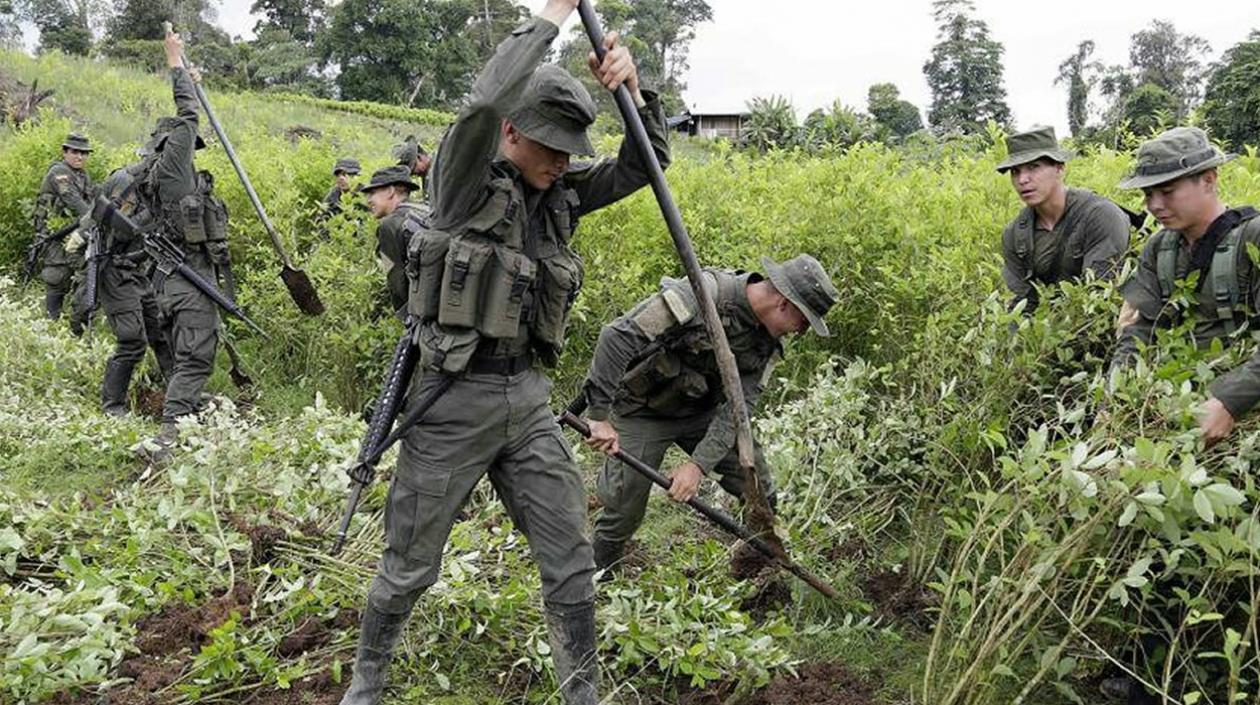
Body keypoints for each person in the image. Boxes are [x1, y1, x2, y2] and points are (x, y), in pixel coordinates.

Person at [338, 1, 670, 703]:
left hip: (527, 401)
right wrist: (551, 16)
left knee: (571, 558)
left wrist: (632, 90)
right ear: (513, 133)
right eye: (552, 147)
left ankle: (581, 691)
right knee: (409, 566)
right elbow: (484, 102)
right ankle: (366, 683)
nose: (563, 161)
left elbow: (649, 164)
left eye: (571, 150)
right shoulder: (460, 182)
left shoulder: (560, 191)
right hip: (449, 401)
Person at [581, 255, 838, 573]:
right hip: (642, 411)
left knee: (759, 489)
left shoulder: (768, 344)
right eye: (804, 322)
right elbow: (617, 336)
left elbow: (738, 411)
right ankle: (598, 574)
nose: (800, 332)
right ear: (784, 304)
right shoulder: (700, 294)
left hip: (701, 414)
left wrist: (697, 466)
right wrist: (599, 416)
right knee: (624, 507)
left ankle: (763, 568)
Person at [1111, 126, 1259, 451]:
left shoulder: (1253, 238)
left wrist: (1230, 401)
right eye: (1148, 194)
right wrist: (1115, 395)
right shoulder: (1158, 248)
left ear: (1208, 180)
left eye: (1167, 191)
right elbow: (1140, 330)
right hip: (1176, 402)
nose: (1154, 205)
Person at [135, 29, 220, 460]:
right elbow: (188, 115)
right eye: (188, 146)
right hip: (188, 280)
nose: (193, 151)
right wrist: (176, 63)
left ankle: (186, 410)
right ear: (173, 146)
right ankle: (169, 436)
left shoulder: (154, 174)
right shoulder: (172, 169)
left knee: (179, 355)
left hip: (166, 282)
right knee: (196, 358)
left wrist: (192, 78)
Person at [996, 126, 1133, 313]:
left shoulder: (1101, 216)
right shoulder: (1015, 234)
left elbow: (1099, 297)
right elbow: (1021, 304)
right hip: (1053, 323)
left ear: (1060, 168)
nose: (1022, 180)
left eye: (1033, 167)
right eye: (1015, 171)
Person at [96, 151, 176, 416]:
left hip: (136, 270)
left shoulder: (156, 190)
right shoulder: (126, 182)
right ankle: (112, 406)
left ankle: (179, 396)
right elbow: (120, 230)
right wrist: (150, 218)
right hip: (113, 269)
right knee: (131, 340)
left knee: (161, 333)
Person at [33, 132, 95, 327]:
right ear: (65, 152)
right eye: (75, 152)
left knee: (78, 271)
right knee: (57, 274)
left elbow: (90, 202)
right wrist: (95, 218)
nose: (80, 157)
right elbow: (75, 202)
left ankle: (72, 320)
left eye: (84, 153)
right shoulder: (59, 173)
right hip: (53, 235)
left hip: (73, 232)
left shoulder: (82, 175)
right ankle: (51, 322)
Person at [360, 165, 423, 314]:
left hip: (421, 311)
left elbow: (396, 281)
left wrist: (404, 317)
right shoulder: (424, 211)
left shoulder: (389, 225)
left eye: (372, 193)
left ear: (390, 191)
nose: (368, 200)